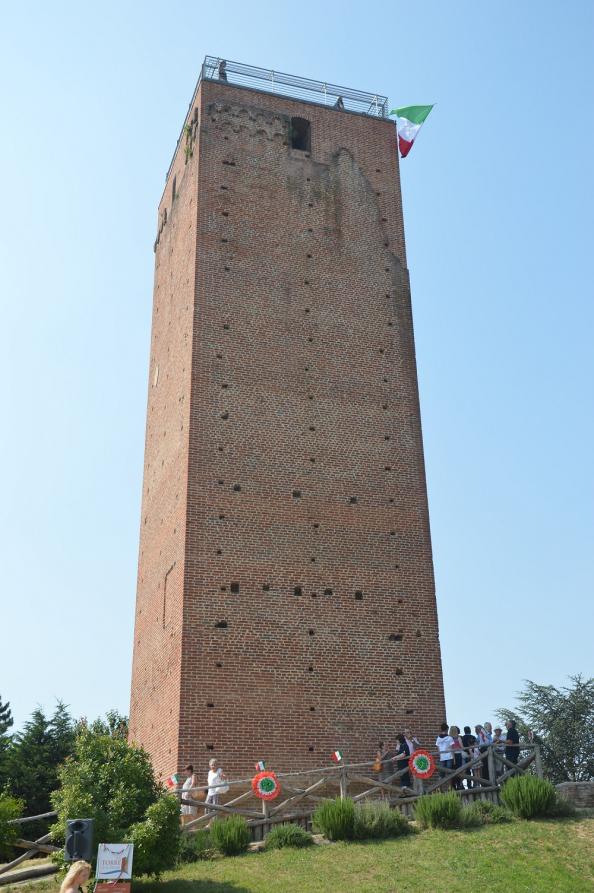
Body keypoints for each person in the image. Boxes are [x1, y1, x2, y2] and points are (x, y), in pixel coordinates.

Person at [449, 725, 464, 790]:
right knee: (459, 770)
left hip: (451, 755)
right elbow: (461, 746)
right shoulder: (458, 738)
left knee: (453, 770)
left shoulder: (449, 738)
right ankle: (459, 784)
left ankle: (453, 785)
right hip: (458, 754)